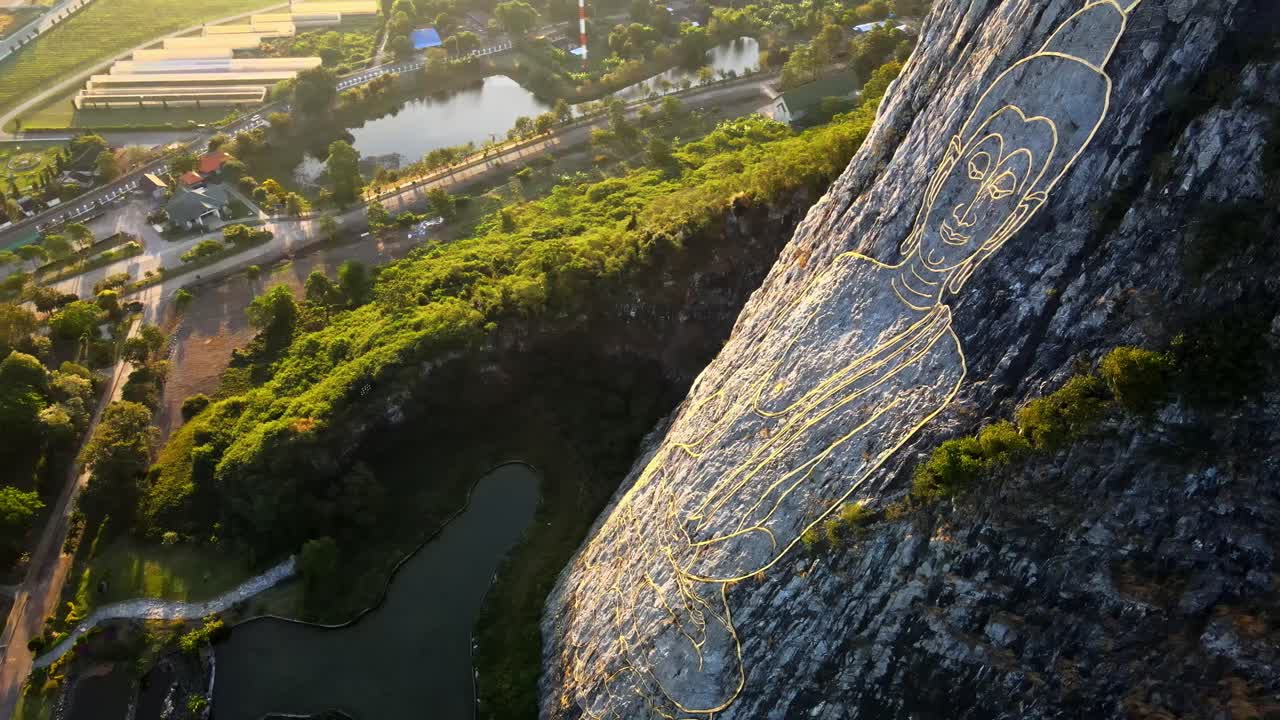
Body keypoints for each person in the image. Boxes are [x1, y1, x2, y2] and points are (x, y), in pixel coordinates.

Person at [561, 2, 1145, 718]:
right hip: (701, 501)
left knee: (697, 660)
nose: (973, 202)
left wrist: (741, 543)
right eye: (977, 163)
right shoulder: (848, 274)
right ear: (946, 167)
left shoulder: (942, 367)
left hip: (741, 535)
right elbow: (758, 389)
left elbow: (832, 473)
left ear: (1022, 212)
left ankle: (691, 587)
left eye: (1006, 188)